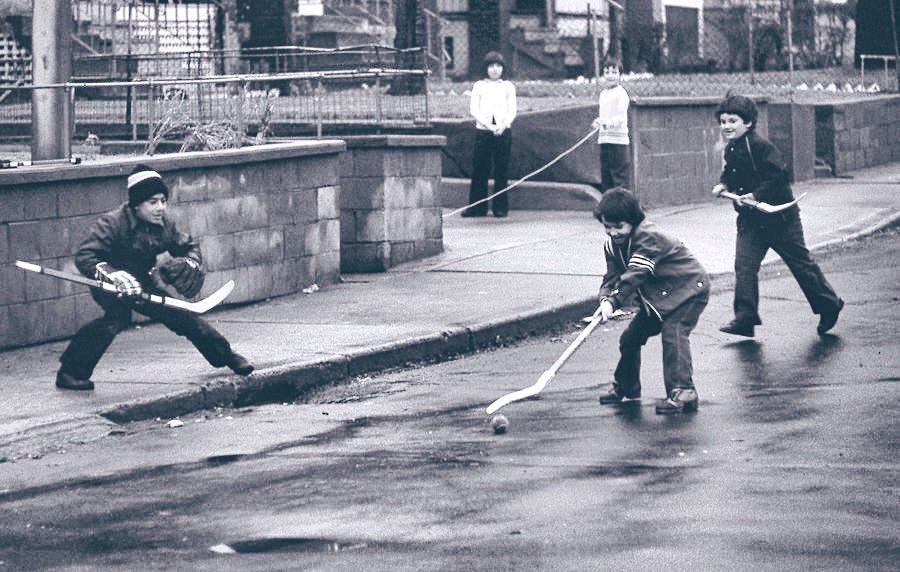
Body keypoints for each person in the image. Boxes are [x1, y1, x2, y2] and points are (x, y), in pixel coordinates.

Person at [55, 165, 253, 390]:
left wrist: (191, 261)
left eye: (163, 201)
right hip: (109, 283)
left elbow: (188, 245)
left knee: (182, 316)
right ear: (136, 204)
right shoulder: (112, 223)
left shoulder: (164, 224)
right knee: (116, 320)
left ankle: (227, 357)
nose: (160, 207)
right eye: (153, 202)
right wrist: (113, 275)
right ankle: (70, 373)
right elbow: (86, 255)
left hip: (142, 281)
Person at [713, 94, 844, 338]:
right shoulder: (731, 148)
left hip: (781, 218)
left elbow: (778, 177)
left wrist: (756, 194)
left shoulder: (762, 147)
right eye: (722, 121)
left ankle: (829, 305)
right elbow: (731, 174)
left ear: (749, 123)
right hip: (751, 221)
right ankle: (746, 317)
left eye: (732, 121)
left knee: (801, 266)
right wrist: (723, 185)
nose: (726, 126)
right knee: (744, 266)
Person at [594, 188, 710, 414]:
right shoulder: (612, 246)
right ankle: (627, 386)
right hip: (658, 300)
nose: (613, 232)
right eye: (608, 226)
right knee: (630, 338)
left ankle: (683, 391)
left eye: (619, 226)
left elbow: (637, 273)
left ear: (633, 221)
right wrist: (605, 299)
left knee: (674, 332)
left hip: (688, 290)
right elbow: (612, 278)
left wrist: (615, 301)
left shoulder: (648, 237)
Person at [463, 50, 517, 218]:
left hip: (503, 132)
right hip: (483, 132)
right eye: (491, 66)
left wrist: (504, 125)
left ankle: (500, 208)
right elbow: (474, 109)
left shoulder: (508, 86)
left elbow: (512, 109)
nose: (494, 69)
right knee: (480, 169)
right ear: (485, 68)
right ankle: (477, 207)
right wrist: (488, 125)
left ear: (503, 68)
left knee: (501, 170)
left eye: (498, 66)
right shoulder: (479, 86)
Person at [591, 58, 631, 191]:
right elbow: (605, 115)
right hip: (604, 140)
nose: (610, 75)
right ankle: (609, 208)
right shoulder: (603, 94)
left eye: (614, 72)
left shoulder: (621, 94)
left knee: (619, 178)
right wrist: (599, 121)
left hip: (618, 142)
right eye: (607, 72)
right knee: (606, 176)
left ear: (620, 75)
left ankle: (623, 209)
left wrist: (606, 122)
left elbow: (620, 117)